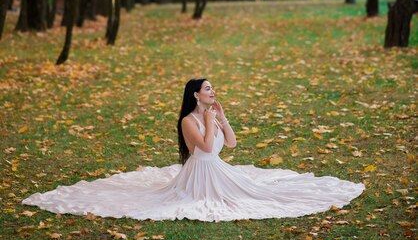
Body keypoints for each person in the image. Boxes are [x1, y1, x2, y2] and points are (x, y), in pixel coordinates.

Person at [22, 78, 365, 221]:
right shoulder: (189, 119)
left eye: (213, 88)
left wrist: (224, 118)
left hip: (218, 167)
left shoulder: (213, 113)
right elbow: (202, 146)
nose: (213, 92)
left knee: (261, 191)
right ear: (195, 95)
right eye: (207, 89)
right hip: (200, 172)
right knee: (212, 202)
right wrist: (209, 119)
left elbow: (229, 145)